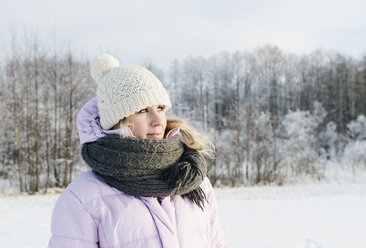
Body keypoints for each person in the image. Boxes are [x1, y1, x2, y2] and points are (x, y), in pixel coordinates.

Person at [48, 54, 227, 248]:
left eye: (160, 108)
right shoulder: (83, 198)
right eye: (142, 110)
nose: (158, 120)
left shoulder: (193, 180)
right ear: (117, 120)